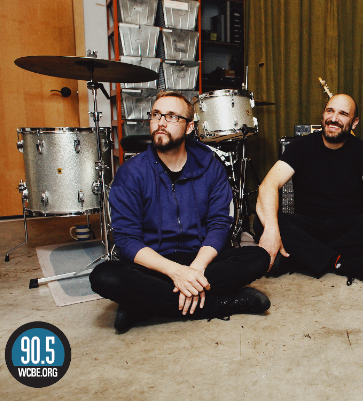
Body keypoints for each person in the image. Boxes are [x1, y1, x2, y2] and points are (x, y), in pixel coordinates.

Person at [90, 91, 271, 333]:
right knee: (103, 276)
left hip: (200, 259)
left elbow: (219, 224)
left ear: (189, 127)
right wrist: (176, 273)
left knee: (258, 257)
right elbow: (126, 239)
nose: (161, 122)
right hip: (155, 265)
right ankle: (220, 303)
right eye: (156, 115)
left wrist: (194, 270)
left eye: (172, 116)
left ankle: (144, 307)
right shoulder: (131, 172)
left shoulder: (210, 166)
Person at [254, 94, 363, 285]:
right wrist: (272, 231)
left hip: (346, 227)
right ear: (323, 115)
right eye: (330, 111)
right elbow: (268, 185)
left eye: (343, 114)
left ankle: (298, 259)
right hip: (307, 226)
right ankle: (342, 262)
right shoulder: (300, 146)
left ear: (354, 122)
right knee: (262, 221)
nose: (334, 118)